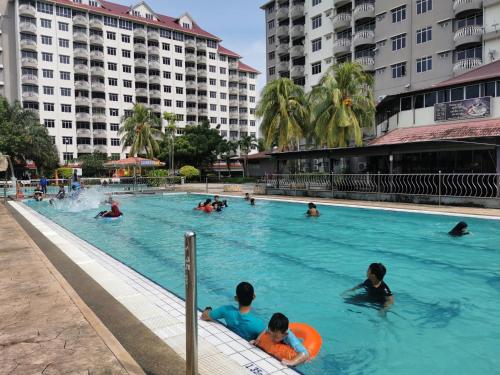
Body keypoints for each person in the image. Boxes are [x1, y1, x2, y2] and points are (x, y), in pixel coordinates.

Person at [201, 281, 265, 341]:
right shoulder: (259, 324)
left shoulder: (226, 310)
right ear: (253, 297)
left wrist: (208, 309)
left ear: (236, 298)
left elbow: (204, 316)